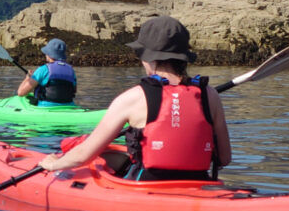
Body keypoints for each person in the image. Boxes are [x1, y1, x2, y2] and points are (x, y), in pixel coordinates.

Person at [39, 16, 232, 181]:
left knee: (102, 159)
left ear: (147, 57)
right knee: (115, 155)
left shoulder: (132, 98)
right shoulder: (210, 95)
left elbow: (82, 156)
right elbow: (224, 158)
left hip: (146, 187)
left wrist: (54, 164)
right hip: (200, 185)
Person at [17, 38, 77, 106]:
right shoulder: (71, 70)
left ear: (49, 54)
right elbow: (73, 90)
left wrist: (27, 78)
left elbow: (21, 93)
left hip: (46, 107)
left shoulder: (43, 69)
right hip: (69, 107)